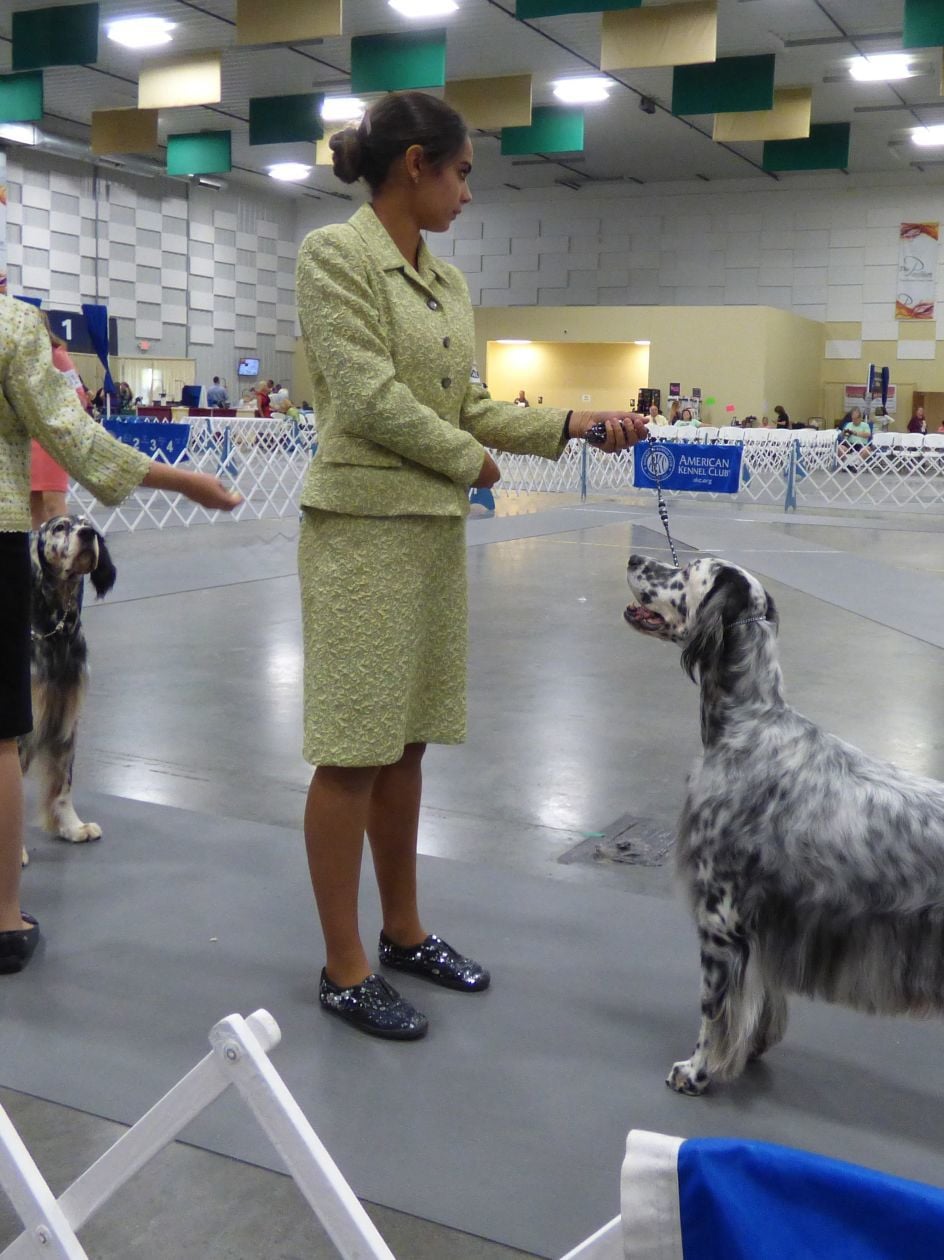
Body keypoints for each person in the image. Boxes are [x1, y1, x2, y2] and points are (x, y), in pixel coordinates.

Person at [296, 90, 646, 1039]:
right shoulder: (335, 256)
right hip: (361, 528)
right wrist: (468, 460)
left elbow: (473, 405)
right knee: (352, 748)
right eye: (461, 173)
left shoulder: (446, 284)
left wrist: (573, 425)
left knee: (405, 741)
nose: (466, 193)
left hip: (429, 531)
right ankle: (343, 964)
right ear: (415, 163)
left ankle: (404, 931)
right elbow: (365, 398)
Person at [1, 297, 242, 975]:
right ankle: (2, 919)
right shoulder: (12, 325)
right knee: (4, 725)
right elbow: (73, 436)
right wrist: (184, 481)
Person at [28, 314, 90, 528]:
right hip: (26, 438)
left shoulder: (58, 356)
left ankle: (65, 553)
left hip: (52, 438)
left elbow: (79, 397)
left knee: (53, 503)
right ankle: (39, 556)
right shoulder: (21, 359)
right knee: (33, 504)